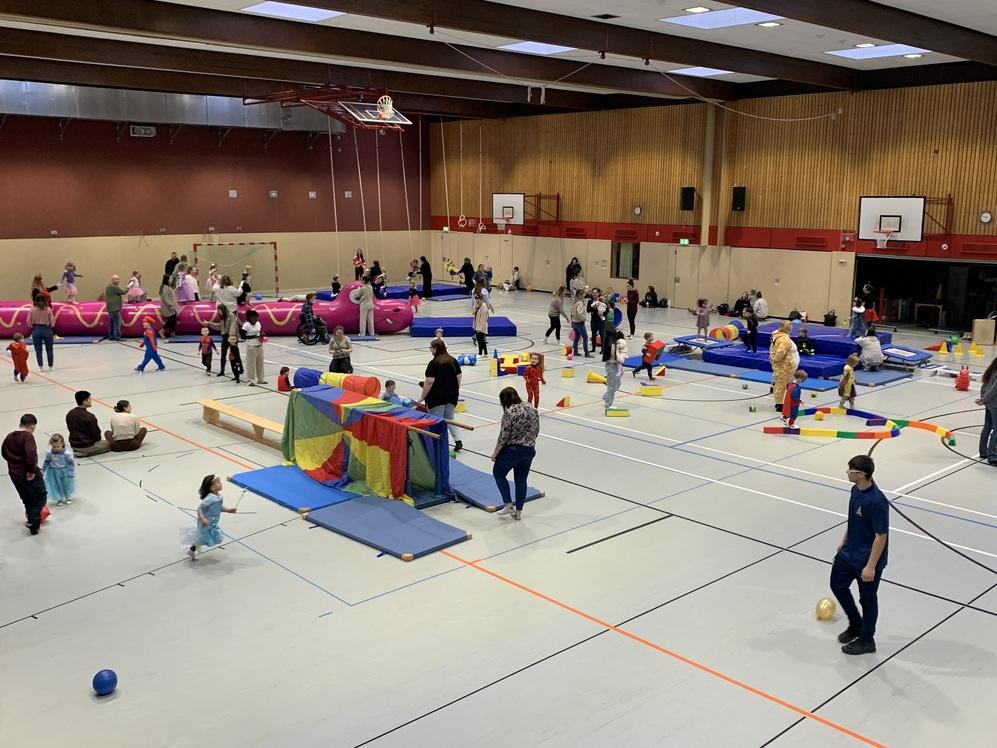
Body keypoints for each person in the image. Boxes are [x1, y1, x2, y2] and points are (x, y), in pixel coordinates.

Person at [830, 455, 889, 656]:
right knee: (836, 584)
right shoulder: (855, 490)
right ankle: (856, 623)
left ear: (861, 474)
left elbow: (881, 536)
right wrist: (844, 540)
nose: (848, 472)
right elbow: (853, 519)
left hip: (867, 558)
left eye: (851, 470)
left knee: (868, 599)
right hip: (849, 552)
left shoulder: (878, 501)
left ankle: (866, 640)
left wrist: (871, 566)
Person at [492, 387, 539, 521]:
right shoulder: (531, 407)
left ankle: (508, 504)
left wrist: (495, 452)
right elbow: (537, 428)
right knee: (521, 480)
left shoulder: (509, 412)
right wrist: (530, 441)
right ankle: (518, 512)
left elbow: (504, 436)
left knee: (498, 473)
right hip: (529, 449)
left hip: (513, 450)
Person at [2, 414, 47, 534]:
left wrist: (14, 463)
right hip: (27, 473)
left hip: (14, 473)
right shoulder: (27, 437)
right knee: (40, 495)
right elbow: (31, 454)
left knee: (26, 498)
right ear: (32, 427)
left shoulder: (9, 437)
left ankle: (32, 520)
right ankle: (33, 519)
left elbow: (4, 453)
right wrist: (31, 471)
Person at [417, 339, 463, 451]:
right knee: (450, 417)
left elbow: (429, 382)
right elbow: (459, 377)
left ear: (435, 349)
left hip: (437, 397)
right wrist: (455, 389)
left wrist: (422, 397)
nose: (430, 350)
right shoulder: (452, 360)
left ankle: (438, 443)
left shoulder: (433, 364)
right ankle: (458, 440)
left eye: (431, 348)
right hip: (451, 396)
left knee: (436, 420)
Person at [186, 474, 238, 560]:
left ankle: (193, 549)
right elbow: (199, 509)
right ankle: (192, 550)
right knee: (205, 538)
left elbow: (218, 507)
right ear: (213, 488)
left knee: (208, 537)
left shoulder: (219, 497)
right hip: (206, 521)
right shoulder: (210, 498)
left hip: (213, 521)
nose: (221, 483)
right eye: (218, 482)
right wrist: (202, 519)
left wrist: (228, 510)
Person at [66, 390, 109, 457]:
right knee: (108, 444)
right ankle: (85, 452)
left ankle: (79, 450)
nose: (91, 401)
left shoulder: (70, 413)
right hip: (87, 445)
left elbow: (70, 428)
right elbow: (97, 435)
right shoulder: (89, 416)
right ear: (85, 401)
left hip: (73, 444)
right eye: (89, 399)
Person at [42, 433, 75, 505]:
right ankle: (59, 499)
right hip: (54, 472)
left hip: (65, 471)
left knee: (66, 484)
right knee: (56, 485)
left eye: (58, 446)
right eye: (54, 446)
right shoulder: (50, 453)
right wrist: (43, 470)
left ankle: (67, 496)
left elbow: (70, 463)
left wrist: (71, 472)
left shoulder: (67, 453)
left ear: (62, 444)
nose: (56, 448)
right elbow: (46, 461)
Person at [769, 321, 794, 411]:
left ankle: (780, 401)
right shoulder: (785, 340)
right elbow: (781, 352)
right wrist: (776, 359)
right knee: (781, 384)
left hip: (777, 364)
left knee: (779, 383)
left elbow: (773, 348)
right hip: (783, 365)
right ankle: (779, 404)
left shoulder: (776, 336)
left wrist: (773, 359)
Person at [977, 357, 997, 465]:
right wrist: (983, 400)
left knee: (987, 427)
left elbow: (984, 386)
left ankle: (983, 451)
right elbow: (994, 389)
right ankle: (993, 456)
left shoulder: (992, 370)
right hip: (995, 404)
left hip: (989, 404)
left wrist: (983, 399)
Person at [28, 298, 56, 371]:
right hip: (47, 329)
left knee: (38, 350)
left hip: (36, 329)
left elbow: (28, 321)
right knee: (49, 349)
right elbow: (52, 321)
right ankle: (51, 366)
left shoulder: (32, 309)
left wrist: (33, 327)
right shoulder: (48, 309)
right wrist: (50, 326)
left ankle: (40, 367)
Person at [242, 309, 266, 385]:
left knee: (260, 363)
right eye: (254, 318)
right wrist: (254, 336)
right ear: (249, 318)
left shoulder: (258, 323)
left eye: (256, 317)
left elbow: (260, 331)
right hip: (251, 347)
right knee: (251, 364)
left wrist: (262, 334)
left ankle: (260, 379)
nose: (255, 319)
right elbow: (243, 336)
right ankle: (250, 380)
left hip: (259, 346)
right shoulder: (246, 325)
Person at [603, 329, 626, 410]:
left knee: (618, 383)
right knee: (612, 387)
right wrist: (621, 359)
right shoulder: (612, 346)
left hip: (616, 365)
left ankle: (606, 396)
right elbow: (616, 358)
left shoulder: (616, 346)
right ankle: (608, 405)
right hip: (612, 366)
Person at [103, 274, 128, 341]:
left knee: (111, 323)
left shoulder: (109, 286)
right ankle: (117, 336)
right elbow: (123, 292)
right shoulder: (114, 287)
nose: (118, 280)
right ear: (113, 280)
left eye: (118, 279)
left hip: (110, 308)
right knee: (117, 323)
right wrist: (128, 287)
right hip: (115, 308)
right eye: (117, 279)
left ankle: (111, 336)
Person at [569, 290, 591, 358]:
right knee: (585, 337)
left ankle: (575, 351)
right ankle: (586, 353)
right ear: (580, 295)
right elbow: (579, 313)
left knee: (577, 337)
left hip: (574, 322)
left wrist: (572, 320)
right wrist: (584, 319)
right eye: (583, 295)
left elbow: (571, 311)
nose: (584, 296)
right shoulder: (580, 303)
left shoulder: (574, 302)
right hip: (579, 322)